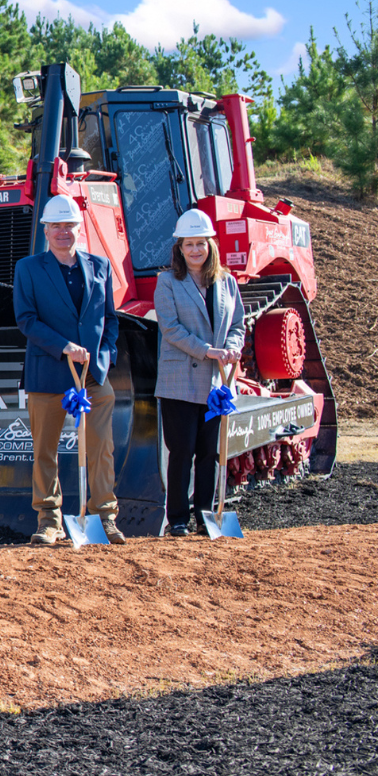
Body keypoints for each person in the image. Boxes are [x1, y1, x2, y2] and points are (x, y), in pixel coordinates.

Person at [12, 195, 125, 545]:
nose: (64, 232)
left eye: (69, 225)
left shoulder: (100, 266)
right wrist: (64, 346)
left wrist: (104, 357)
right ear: (46, 231)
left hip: (92, 376)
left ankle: (105, 517)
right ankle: (49, 520)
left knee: (101, 447)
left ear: (79, 228)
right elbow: (26, 319)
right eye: (56, 226)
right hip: (48, 372)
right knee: (45, 451)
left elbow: (110, 319)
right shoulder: (29, 268)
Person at [153, 208, 245, 536]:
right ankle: (177, 519)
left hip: (216, 382)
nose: (195, 250)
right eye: (189, 244)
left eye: (201, 243)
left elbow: (238, 324)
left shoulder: (227, 282)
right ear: (179, 248)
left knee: (210, 453)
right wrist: (208, 351)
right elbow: (171, 329)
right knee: (181, 452)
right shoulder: (167, 282)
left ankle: (206, 516)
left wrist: (231, 348)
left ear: (210, 246)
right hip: (180, 381)